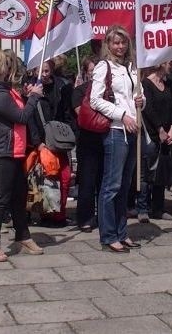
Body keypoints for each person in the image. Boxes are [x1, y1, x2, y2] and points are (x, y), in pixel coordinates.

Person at [0, 47, 45, 261]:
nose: (7, 66)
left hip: (13, 150)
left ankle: (23, 235)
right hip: (1, 151)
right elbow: (21, 117)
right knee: (1, 199)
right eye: (4, 63)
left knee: (18, 196)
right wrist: (33, 98)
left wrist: (24, 94)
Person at [90, 25, 145, 253]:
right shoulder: (104, 67)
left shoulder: (132, 67)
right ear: (108, 45)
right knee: (111, 186)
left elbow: (138, 96)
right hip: (115, 130)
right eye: (115, 42)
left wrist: (142, 102)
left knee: (124, 186)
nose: (119, 47)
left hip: (133, 131)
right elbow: (95, 100)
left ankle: (122, 232)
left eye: (123, 42)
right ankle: (108, 235)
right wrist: (121, 115)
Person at [28, 59, 73, 227]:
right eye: (41, 72)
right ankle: (47, 213)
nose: (44, 75)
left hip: (59, 140)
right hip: (43, 142)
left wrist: (70, 134)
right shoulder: (31, 90)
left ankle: (59, 214)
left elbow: (66, 113)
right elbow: (30, 119)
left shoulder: (61, 87)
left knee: (65, 178)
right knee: (47, 179)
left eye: (47, 71)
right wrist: (37, 143)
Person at [137, 62, 172, 222]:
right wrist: (159, 129)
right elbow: (148, 109)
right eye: (169, 63)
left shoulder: (167, 83)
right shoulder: (145, 84)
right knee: (147, 173)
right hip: (152, 134)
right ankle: (143, 208)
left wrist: (171, 129)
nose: (171, 67)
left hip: (167, 134)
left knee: (161, 172)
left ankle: (158, 208)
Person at [72, 56, 104, 232]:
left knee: (104, 181)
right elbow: (82, 115)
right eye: (92, 71)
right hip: (87, 140)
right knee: (87, 181)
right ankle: (85, 218)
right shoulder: (79, 91)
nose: (95, 74)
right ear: (86, 73)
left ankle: (103, 216)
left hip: (105, 139)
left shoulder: (107, 89)